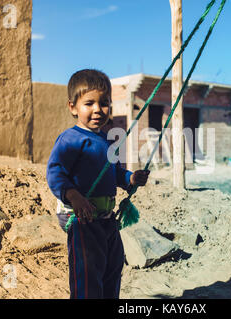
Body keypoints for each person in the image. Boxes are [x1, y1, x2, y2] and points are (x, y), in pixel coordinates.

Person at [46, 69, 150, 299]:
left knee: (112, 268)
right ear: (73, 107)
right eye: (89, 103)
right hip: (82, 219)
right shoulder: (70, 140)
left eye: (104, 103)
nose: (97, 109)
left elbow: (114, 174)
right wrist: (74, 196)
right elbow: (55, 173)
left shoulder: (106, 141)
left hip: (106, 218)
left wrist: (131, 179)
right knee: (88, 276)